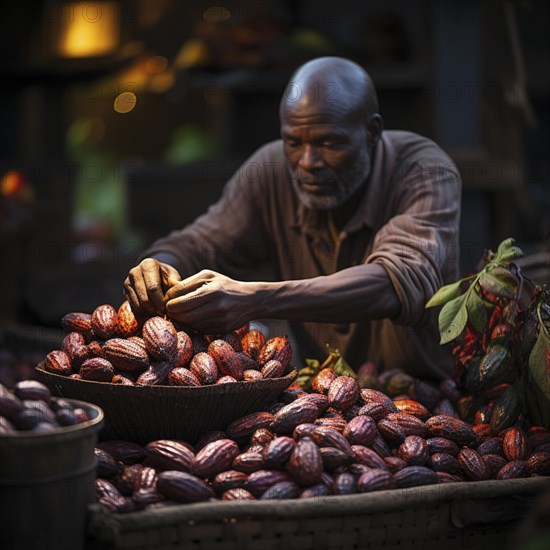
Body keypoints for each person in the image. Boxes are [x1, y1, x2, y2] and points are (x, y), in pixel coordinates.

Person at [124, 56, 462, 380]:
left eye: (330, 143)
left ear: (372, 133)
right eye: (293, 142)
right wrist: (159, 266)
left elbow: (396, 283)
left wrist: (258, 299)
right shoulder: (270, 171)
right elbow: (198, 245)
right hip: (326, 395)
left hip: (427, 395)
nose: (308, 161)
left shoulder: (423, 170)